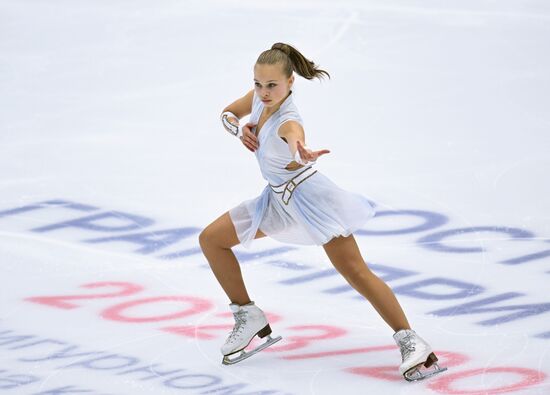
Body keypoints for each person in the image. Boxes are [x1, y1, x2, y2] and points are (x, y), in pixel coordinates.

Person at [198, 42, 446, 381]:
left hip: (310, 200)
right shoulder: (257, 100)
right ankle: (248, 315)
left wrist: (301, 152)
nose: (264, 91)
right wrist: (239, 128)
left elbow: (294, 139)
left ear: (290, 83)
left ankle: (411, 341)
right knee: (212, 240)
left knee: (356, 272)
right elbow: (227, 113)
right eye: (259, 83)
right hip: (276, 200)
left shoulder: (288, 119)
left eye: (272, 85)